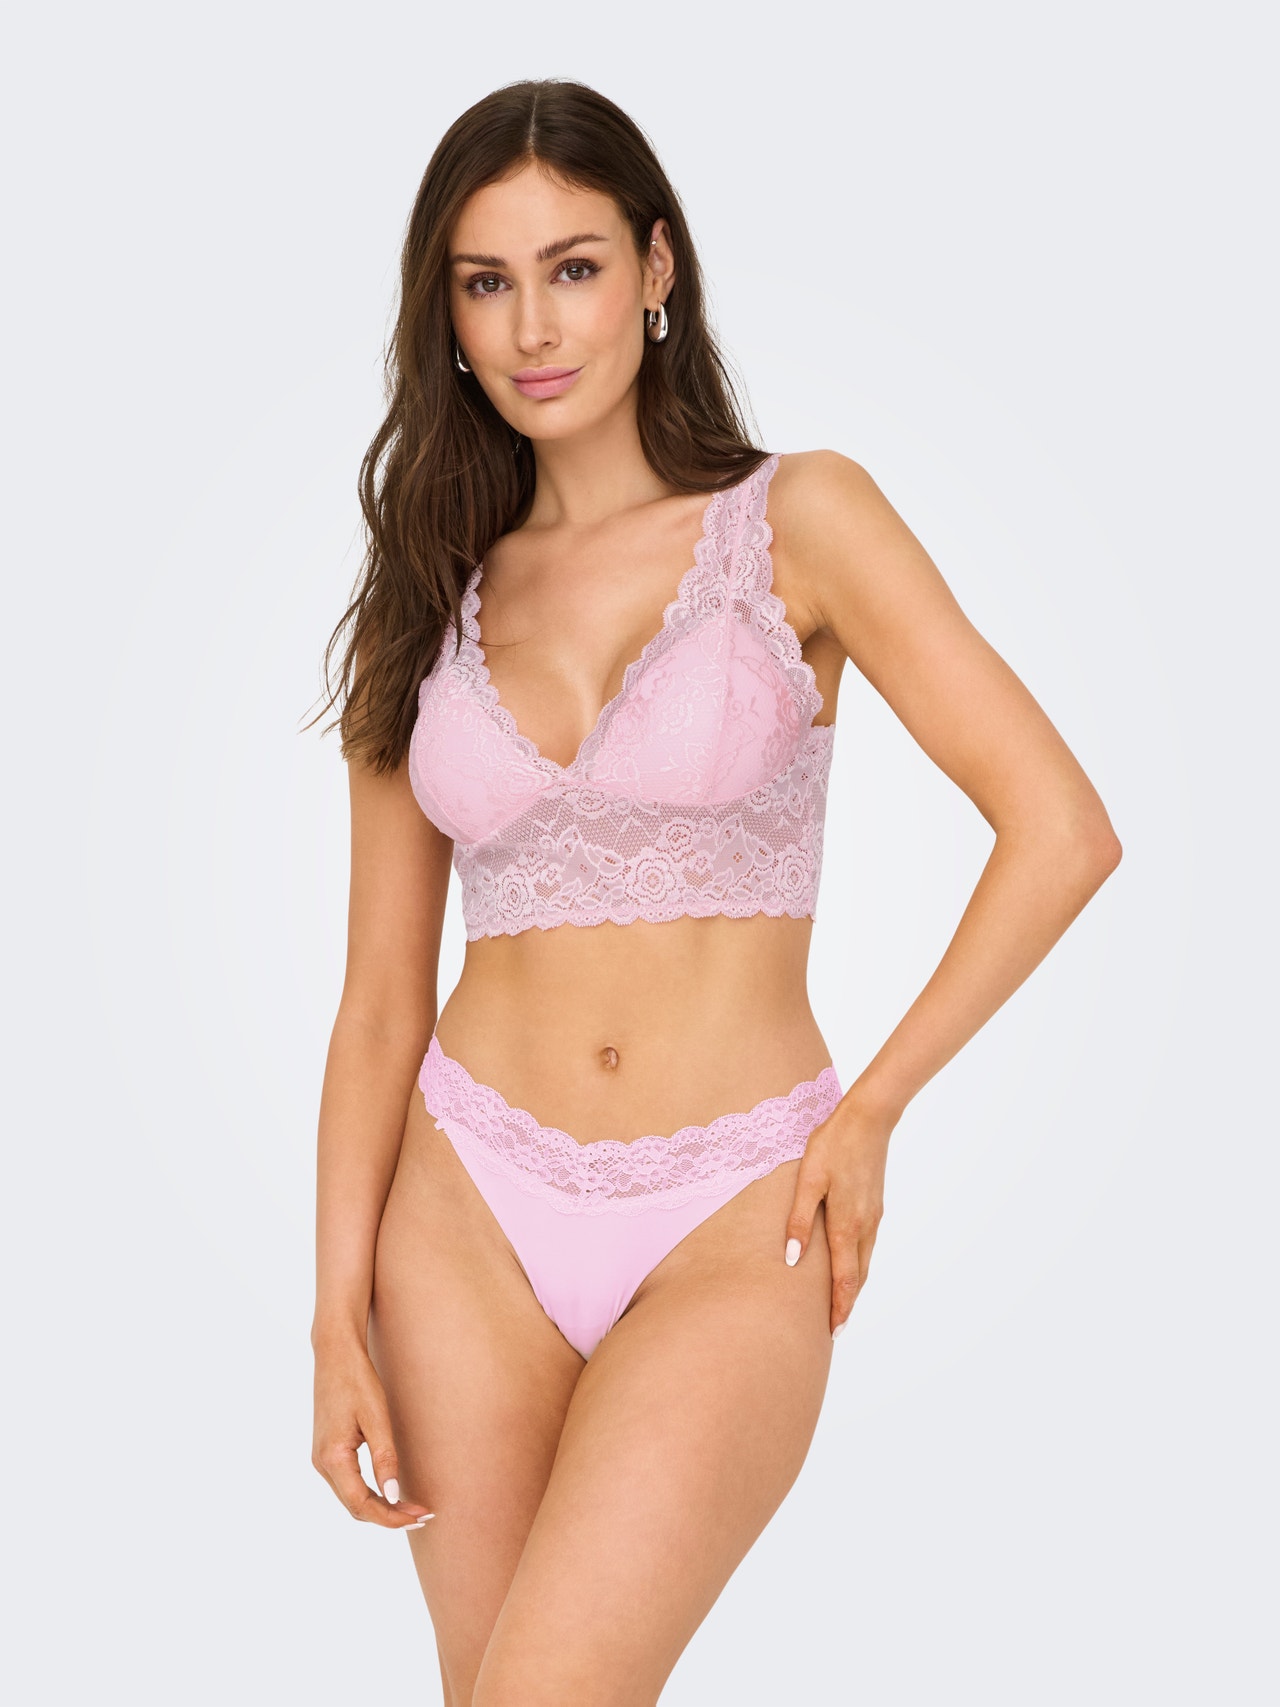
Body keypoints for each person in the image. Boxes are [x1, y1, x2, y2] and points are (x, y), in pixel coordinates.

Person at [308, 77, 1122, 1707]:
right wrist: (334, 1316)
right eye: (486, 282)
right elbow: (382, 1001)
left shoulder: (799, 518)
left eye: (576, 267)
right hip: (465, 1213)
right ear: (444, 314)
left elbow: (1060, 828)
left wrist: (874, 1108)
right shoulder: (425, 589)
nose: (535, 325)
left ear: (658, 267)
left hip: (739, 1203)